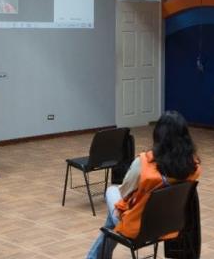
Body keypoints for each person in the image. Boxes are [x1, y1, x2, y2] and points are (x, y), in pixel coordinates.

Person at [86, 111, 201, 259]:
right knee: (111, 222)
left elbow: (124, 193)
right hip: (169, 225)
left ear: (157, 135)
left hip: (139, 228)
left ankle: (95, 257)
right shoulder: (193, 166)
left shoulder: (144, 163)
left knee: (112, 191)